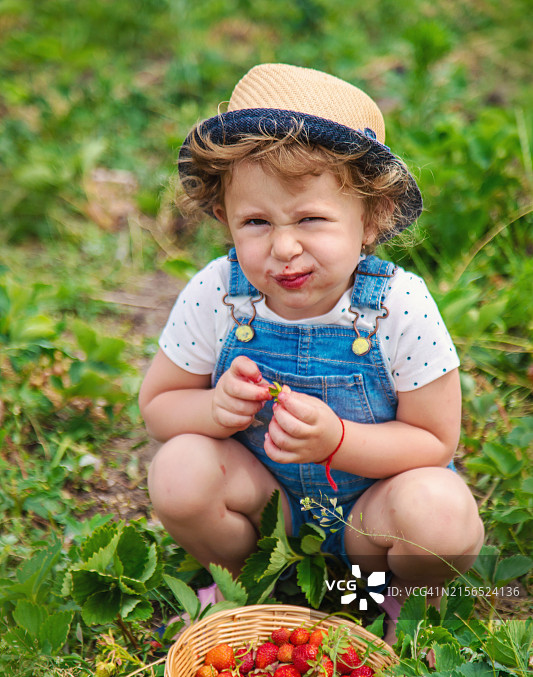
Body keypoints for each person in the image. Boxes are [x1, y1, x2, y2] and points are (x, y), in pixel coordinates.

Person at [139, 63, 484, 640]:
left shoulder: (399, 305)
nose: (284, 246)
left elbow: (433, 441)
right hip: (264, 507)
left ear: (372, 218)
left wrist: (339, 442)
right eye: (255, 221)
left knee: (441, 515)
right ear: (224, 215)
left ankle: (382, 602)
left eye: (311, 219)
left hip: (370, 520)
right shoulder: (219, 293)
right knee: (178, 471)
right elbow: (159, 406)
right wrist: (214, 410)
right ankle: (249, 584)